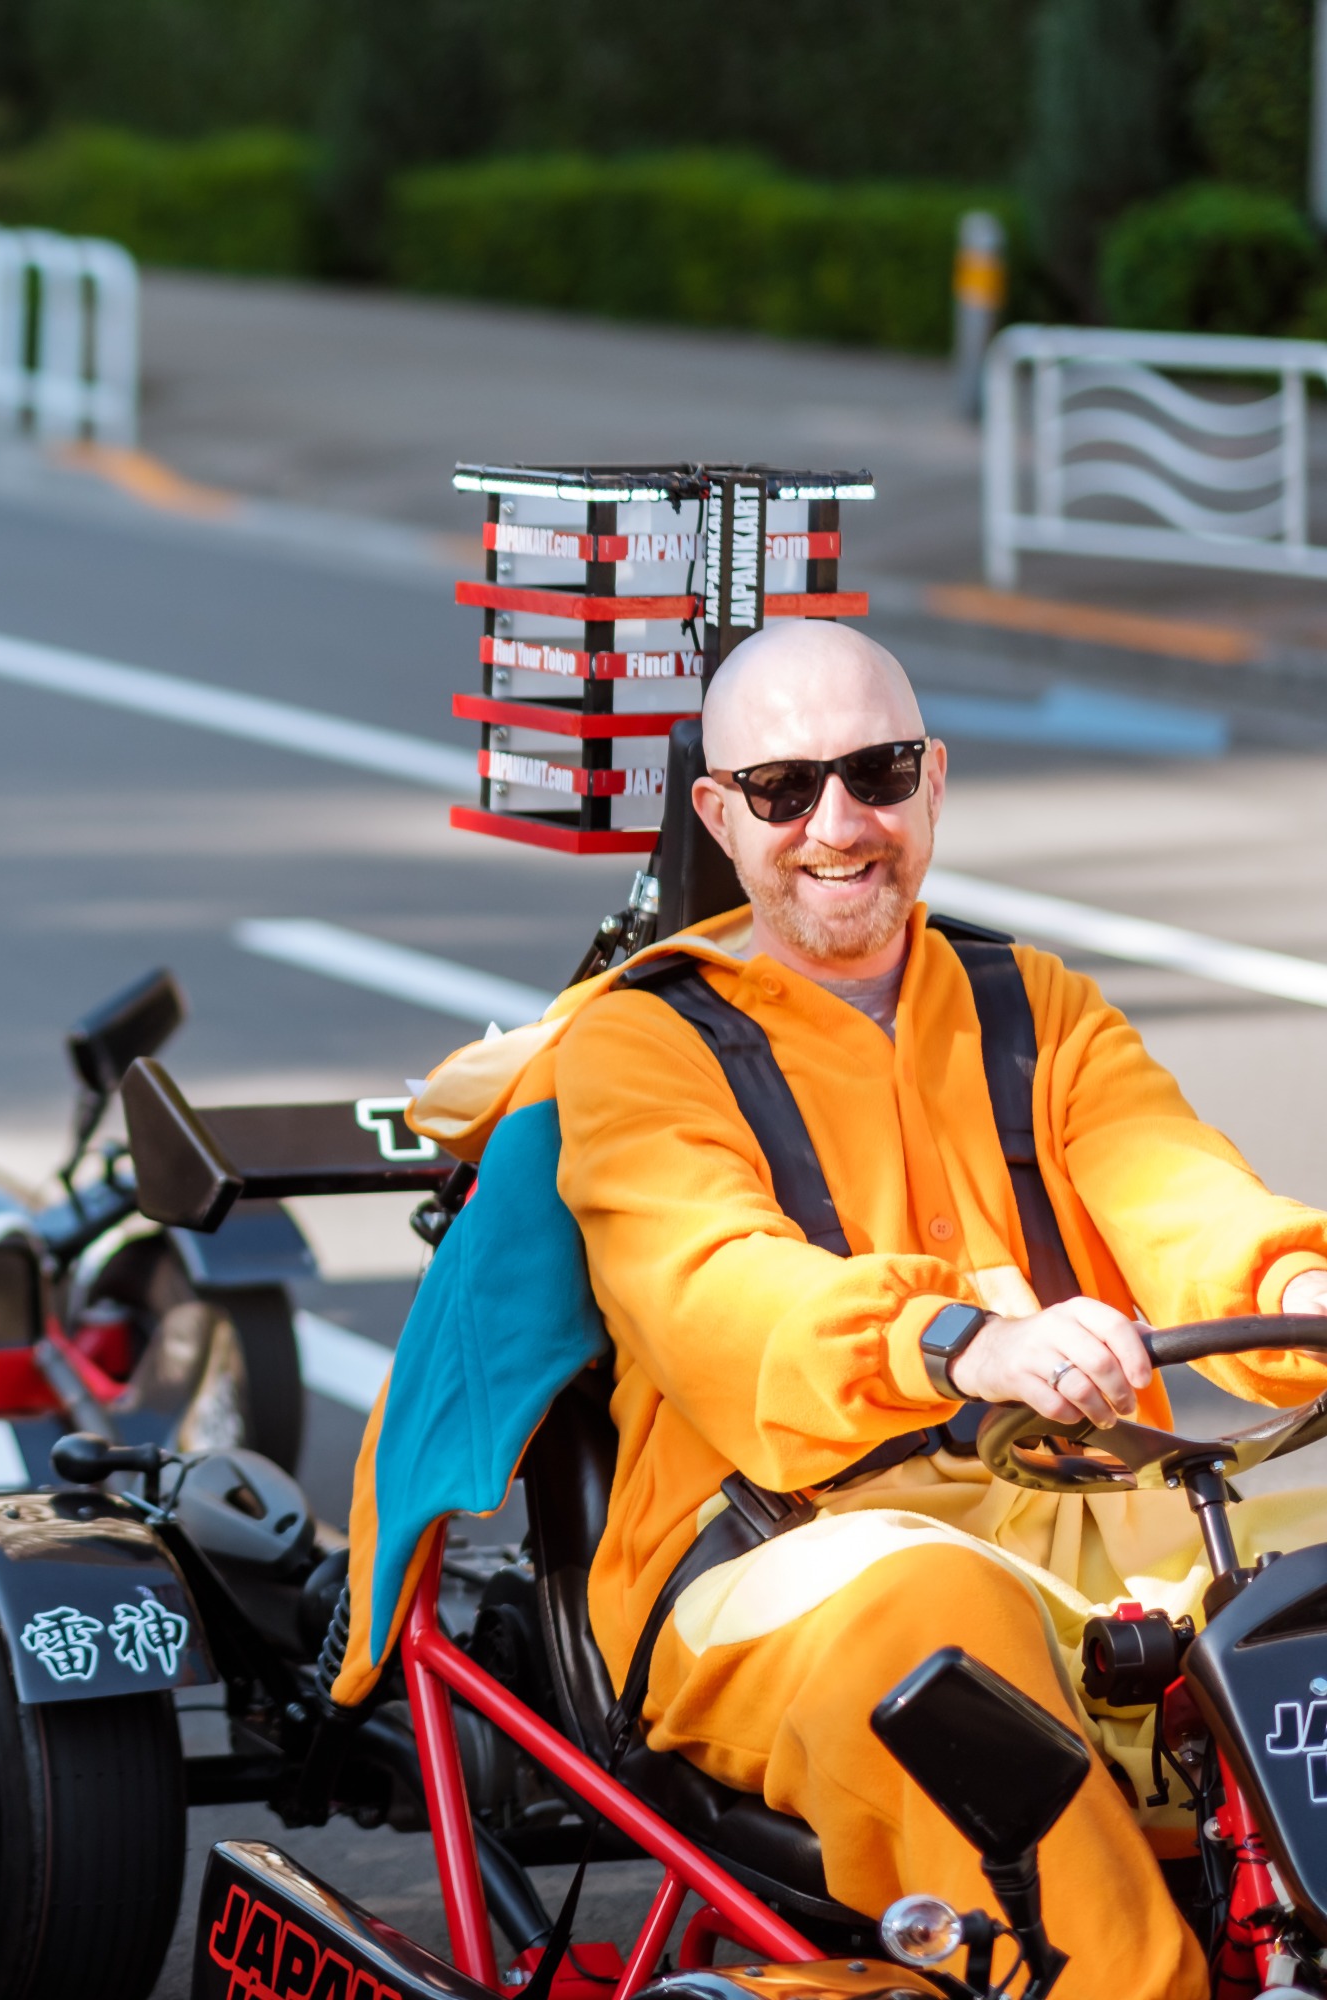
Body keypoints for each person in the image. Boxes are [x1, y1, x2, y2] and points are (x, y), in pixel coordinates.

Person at [547, 621, 1327, 1999]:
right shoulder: (640, 1039)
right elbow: (722, 1290)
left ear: (935, 781)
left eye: (877, 772)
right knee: (939, 1614)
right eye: (785, 790)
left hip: (1101, 1523)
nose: (839, 824)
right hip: (790, 1556)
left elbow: (1181, 1193)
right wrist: (968, 1341)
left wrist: (1295, 1289)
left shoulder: (1035, 1004)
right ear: (721, 816)